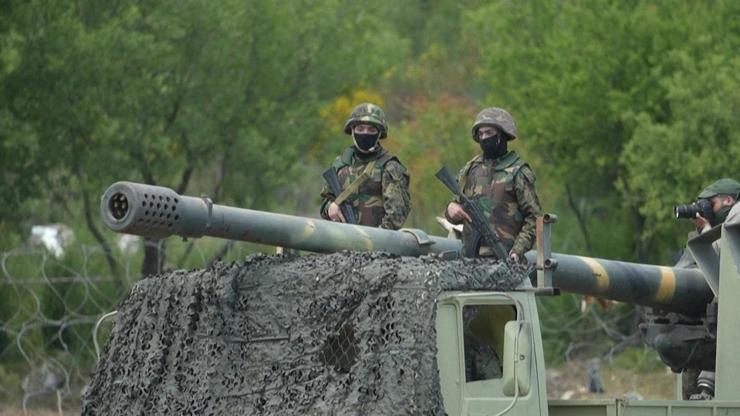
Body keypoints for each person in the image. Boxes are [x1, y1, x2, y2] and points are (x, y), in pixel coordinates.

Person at [445, 107, 541, 261]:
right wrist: (451, 209)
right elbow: (454, 206)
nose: (484, 138)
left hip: (505, 260)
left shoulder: (518, 172)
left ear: (502, 135)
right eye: (480, 134)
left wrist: (517, 251)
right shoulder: (471, 169)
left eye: (489, 133)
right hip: (469, 262)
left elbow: (534, 218)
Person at [320, 103, 410, 229]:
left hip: (378, 244)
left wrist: (372, 241)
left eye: (371, 130)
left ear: (379, 133)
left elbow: (396, 216)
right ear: (352, 131)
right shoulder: (341, 164)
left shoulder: (390, 167)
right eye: (360, 129)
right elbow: (324, 202)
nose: (365, 133)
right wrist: (330, 208)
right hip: (340, 242)